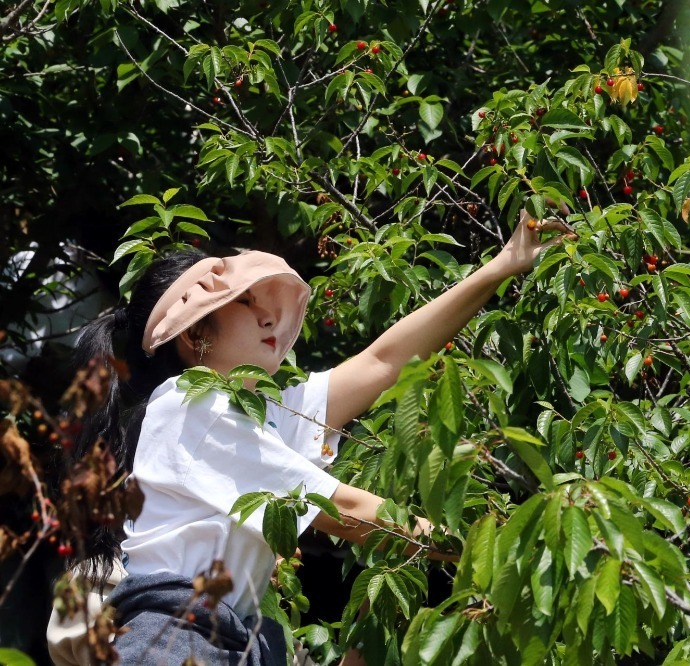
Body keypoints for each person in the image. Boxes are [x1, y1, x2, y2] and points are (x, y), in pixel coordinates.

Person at [48, 209, 575, 665]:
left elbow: (383, 360)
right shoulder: (195, 405)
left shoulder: (255, 412)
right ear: (195, 333)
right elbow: (347, 509)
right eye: (244, 303)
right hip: (177, 641)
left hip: (219, 640)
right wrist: (509, 545)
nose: (266, 315)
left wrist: (503, 264)